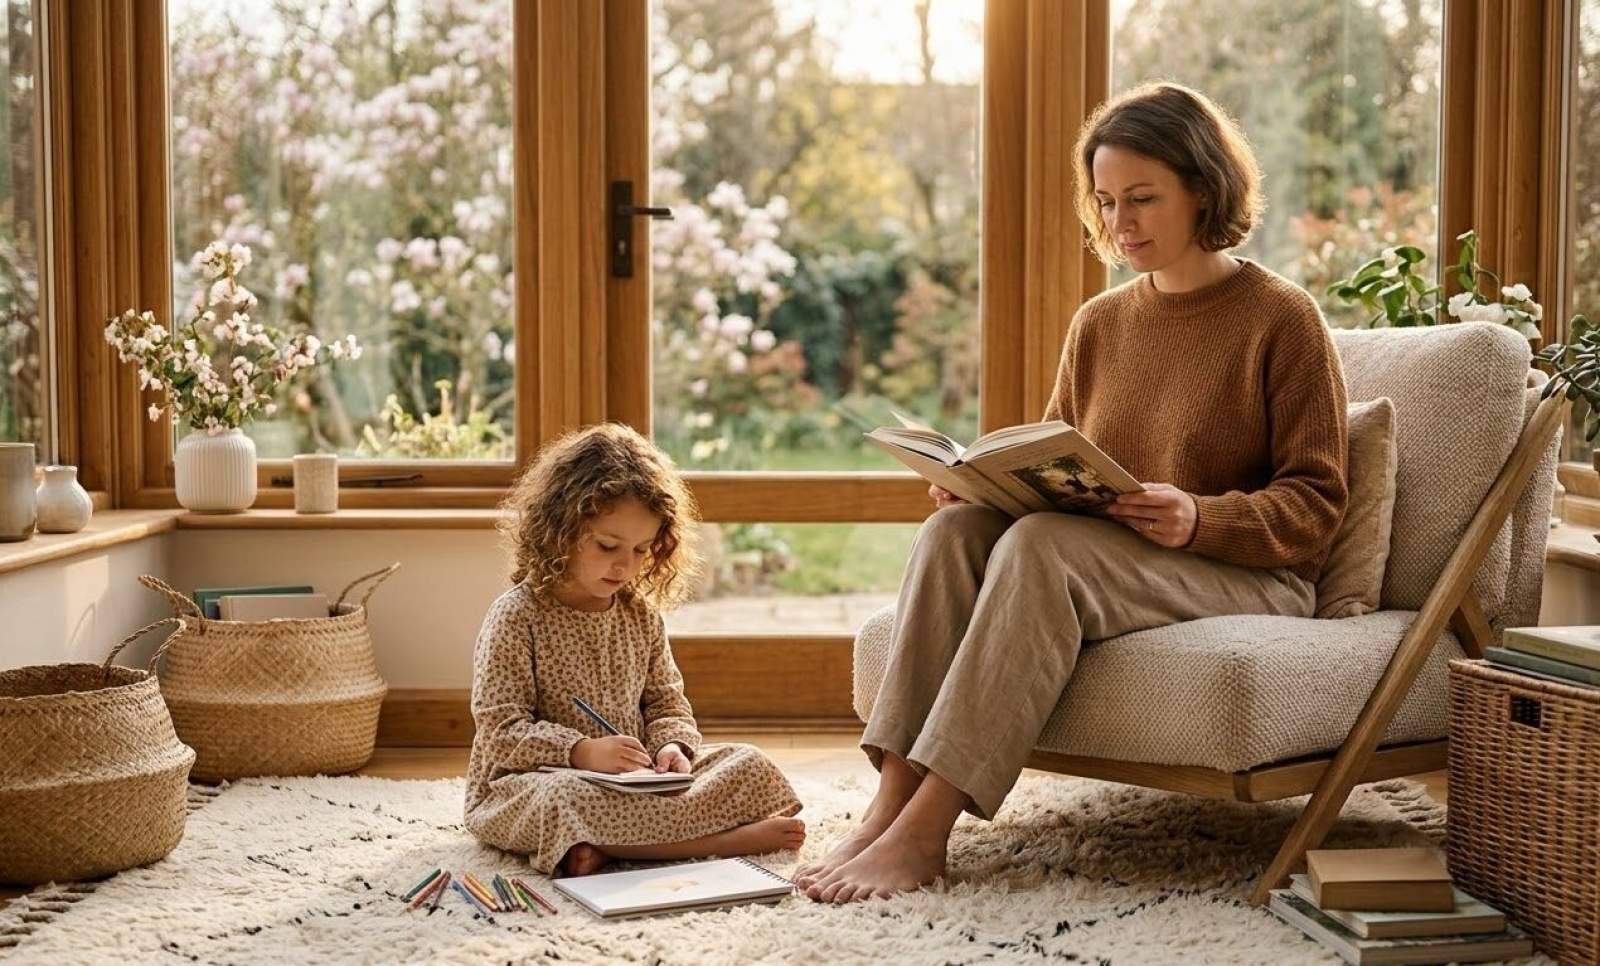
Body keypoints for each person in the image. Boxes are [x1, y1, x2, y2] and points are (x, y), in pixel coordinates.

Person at [796, 81, 1349, 903]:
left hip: (1249, 575)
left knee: (1042, 547)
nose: (1121, 225)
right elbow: (1056, 464)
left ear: (1204, 188)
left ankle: (927, 830)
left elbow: (1316, 506)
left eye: (1143, 200)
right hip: (1123, 563)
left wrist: (1199, 514)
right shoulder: (1100, 324)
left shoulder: (1281, 318)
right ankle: (890, 801)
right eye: (1106, 202)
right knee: (957, 536)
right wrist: (982, 493)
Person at [464, 423, 804, 876]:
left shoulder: (640, 614)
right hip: (533, 783)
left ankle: (608, 848)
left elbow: (667, 702)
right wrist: (581, 751)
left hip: (637, 785)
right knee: (564, 801)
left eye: (642, 550)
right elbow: (500, 729)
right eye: (608, 546)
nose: (625, 565)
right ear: (560, 530)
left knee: (747, 764)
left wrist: (671, 748)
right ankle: (719, 843)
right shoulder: (516, 616)